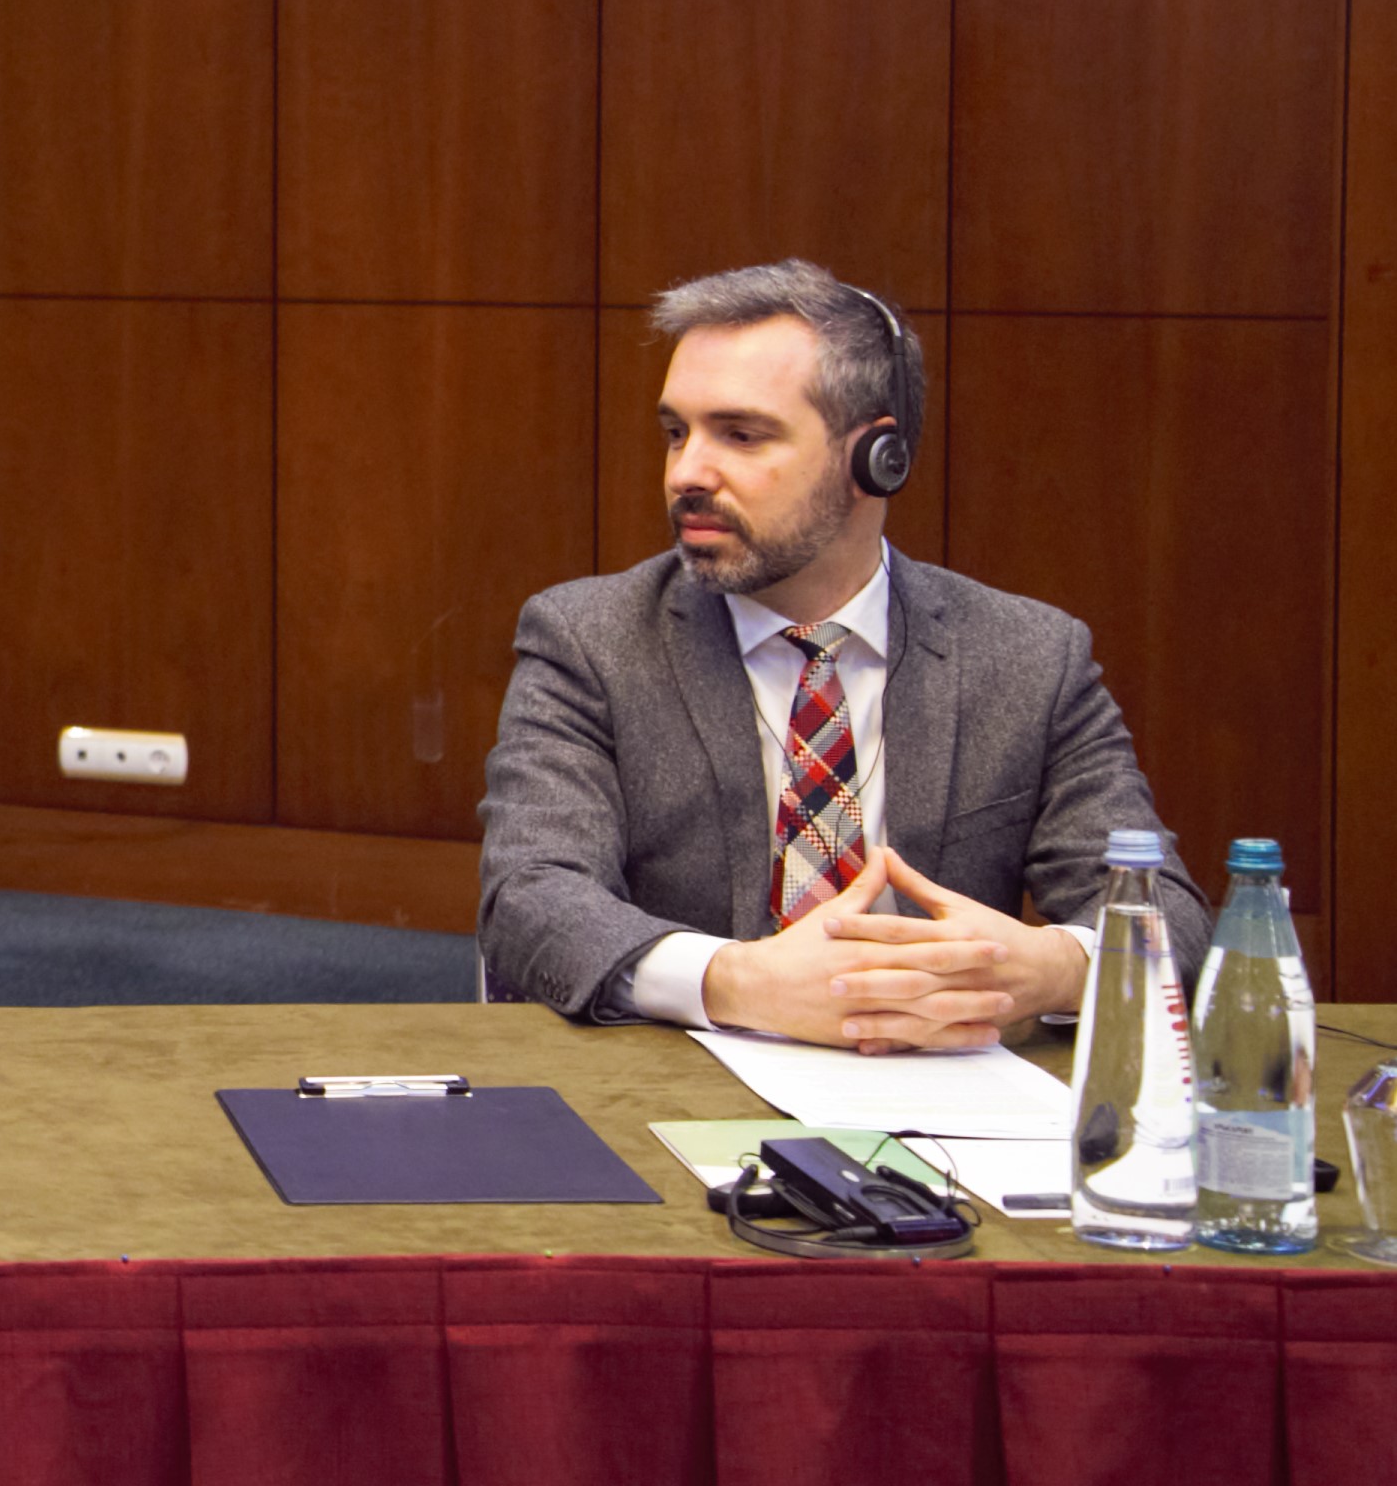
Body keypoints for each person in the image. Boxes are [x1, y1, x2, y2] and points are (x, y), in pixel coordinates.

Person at [478, 259, 1205, 1050]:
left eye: (741, 435)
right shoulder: (590, 639)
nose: (685, 472)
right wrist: (738, 981)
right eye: (676, 433)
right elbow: (531, 897)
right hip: (674, 1085)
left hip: (944, 1093)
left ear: (875, 458)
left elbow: (1166, 912)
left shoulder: (1027, 657)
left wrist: (1054, 967)